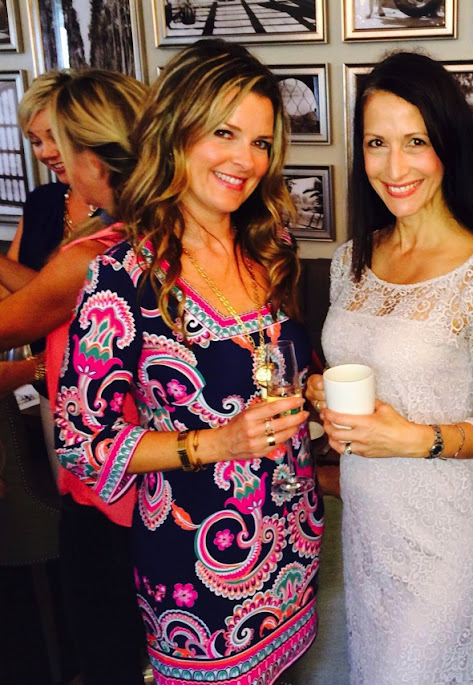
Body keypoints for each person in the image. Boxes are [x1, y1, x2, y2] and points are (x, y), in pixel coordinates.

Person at [54, 39, 321, 684]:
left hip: (294, 542)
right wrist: (215, 443)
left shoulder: (271, 245)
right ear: (176, 133)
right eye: (224, 133)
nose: (246, 160)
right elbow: (79, 443)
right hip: (197, 571)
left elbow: (275, 365)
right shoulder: (124, 276)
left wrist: (311, 388)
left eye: (261, 142)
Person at [305, 50, 473, 683]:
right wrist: (323, 394)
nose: (394, 167)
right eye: (377, 143)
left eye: (415, 142)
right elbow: (359, 368)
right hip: (368, 516)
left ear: (447, 147)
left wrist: (410, 439)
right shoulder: (351, 260)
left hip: (445, 529)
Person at [0, 68, 148, 684]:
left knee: (106, 641)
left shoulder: (95, 252)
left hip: (107, 473)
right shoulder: (161, 226)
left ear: (93, 154)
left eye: (56, 141)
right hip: (157, 466)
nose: (50, 156)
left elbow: (17, 316)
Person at [0, 70, 95, 403]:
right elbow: (13, 296)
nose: (46, 152)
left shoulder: (122, 215)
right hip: (48, 385)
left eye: (56, 137)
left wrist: (32, 369)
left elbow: (51, 299)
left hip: (104, 387)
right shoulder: (42, 201)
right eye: (36, 141)